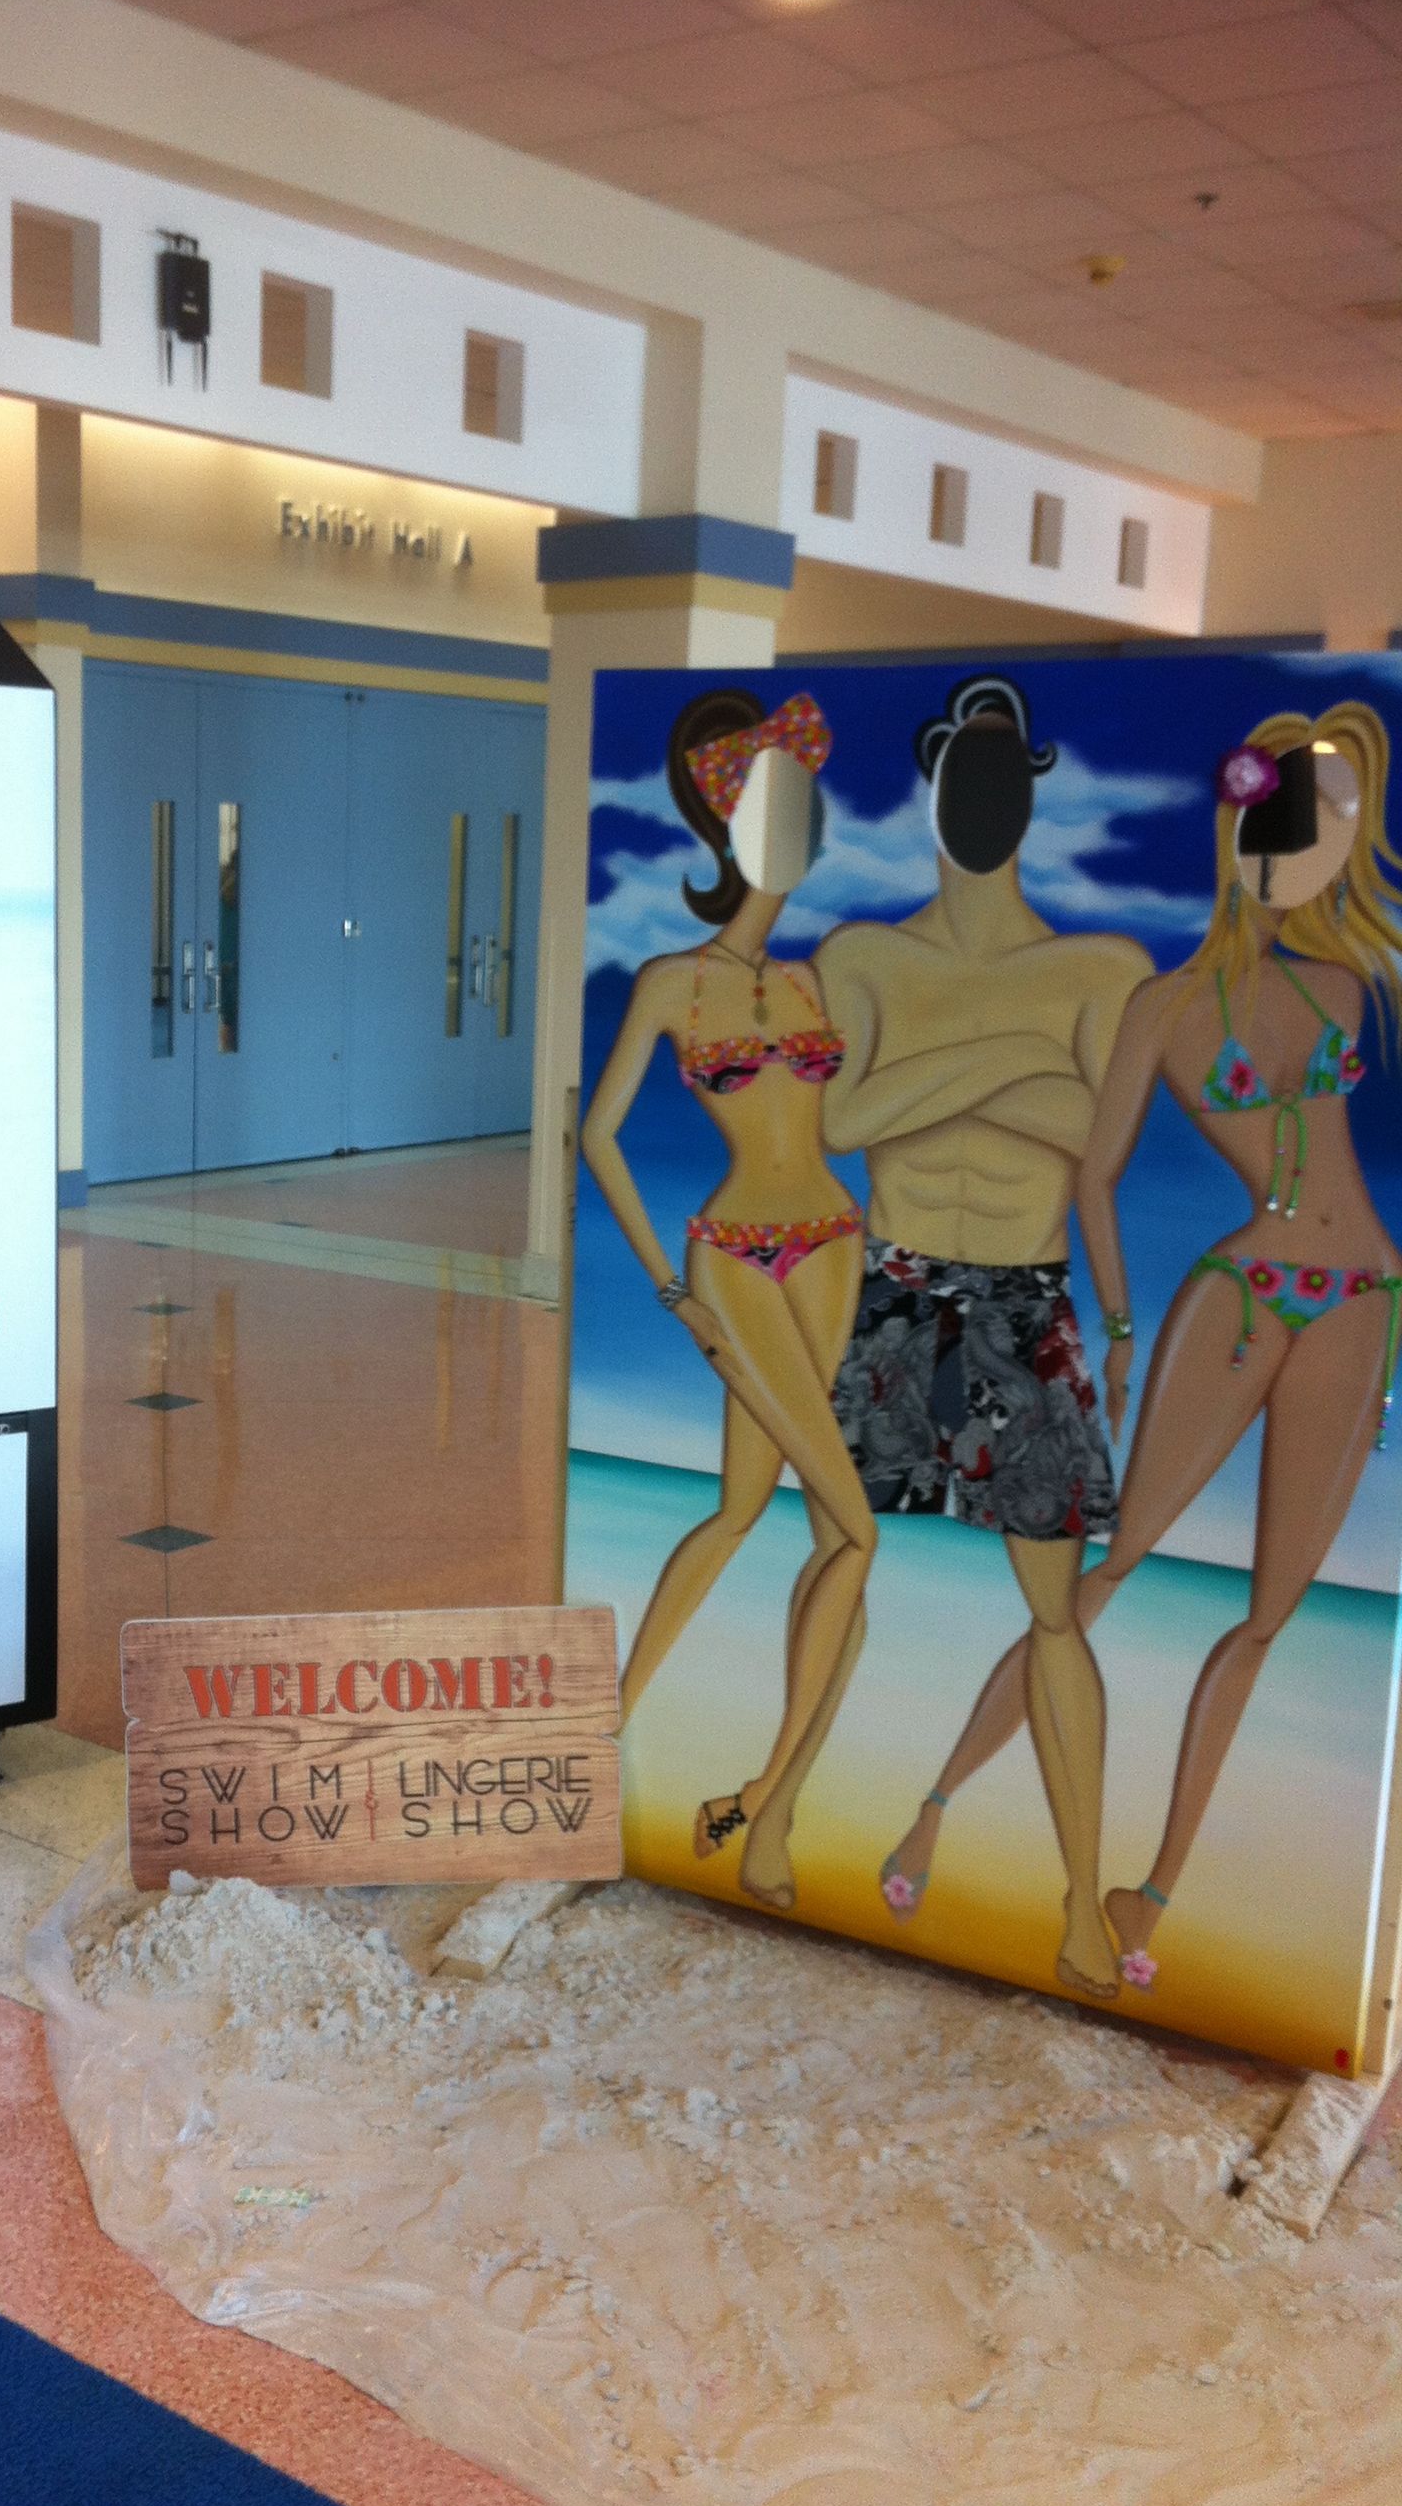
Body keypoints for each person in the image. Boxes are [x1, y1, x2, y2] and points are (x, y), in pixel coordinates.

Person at [879, 700, 1402, 1990]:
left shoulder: (1350, 985)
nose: (1307, 851)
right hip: (1238, 1293)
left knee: (1270, 1616)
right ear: (1236, 827)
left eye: (1335, 827)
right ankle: (938, 1803)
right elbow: (1096, 1181)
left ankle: (1152, 1899)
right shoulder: (1165, 1010)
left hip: (1362, 1297)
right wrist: (1113, 1329)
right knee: (1104, 1578)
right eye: (1289, 820)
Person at [815, 675, 1151, 1999]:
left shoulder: (1102, 969)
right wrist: (1025, 1066)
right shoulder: (865, 958)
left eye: (1009, 771)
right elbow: (845, 1126)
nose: (987, 795)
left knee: (1056, 1610)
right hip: (893, 1287)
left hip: (1023, 1298)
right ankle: (781, 1809)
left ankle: (1079, 1904)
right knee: (842, 1553)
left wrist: (936, 1080)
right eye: (972, 768)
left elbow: (1095, 1138)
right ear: (935, 777)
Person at [580, 690, 875, 1912]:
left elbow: (865, 1117)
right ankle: (716, 1788)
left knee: (757, 1513)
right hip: (735, 1255)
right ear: (730, 822)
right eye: (777, 811)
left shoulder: (821, 981)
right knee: (853, 1529)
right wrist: (667, 1290)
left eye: (806, 810)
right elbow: (597, 1137)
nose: (799, 834)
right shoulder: (671, 983)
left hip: (834, 1245)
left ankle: (764, 1817)